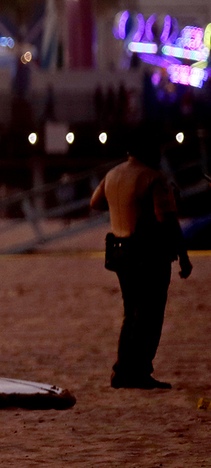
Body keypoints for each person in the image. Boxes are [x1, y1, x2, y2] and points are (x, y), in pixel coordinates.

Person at [90, 127, 192, 389]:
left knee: (131, 312)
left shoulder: (113, 174)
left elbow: (96, 203)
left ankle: (122, 370)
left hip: (120, 252)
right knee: (149, 316)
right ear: (148, 150)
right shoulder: (154, 178)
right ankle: (139, 372)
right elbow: (166, 221)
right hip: (149, 255)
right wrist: (183, 256)